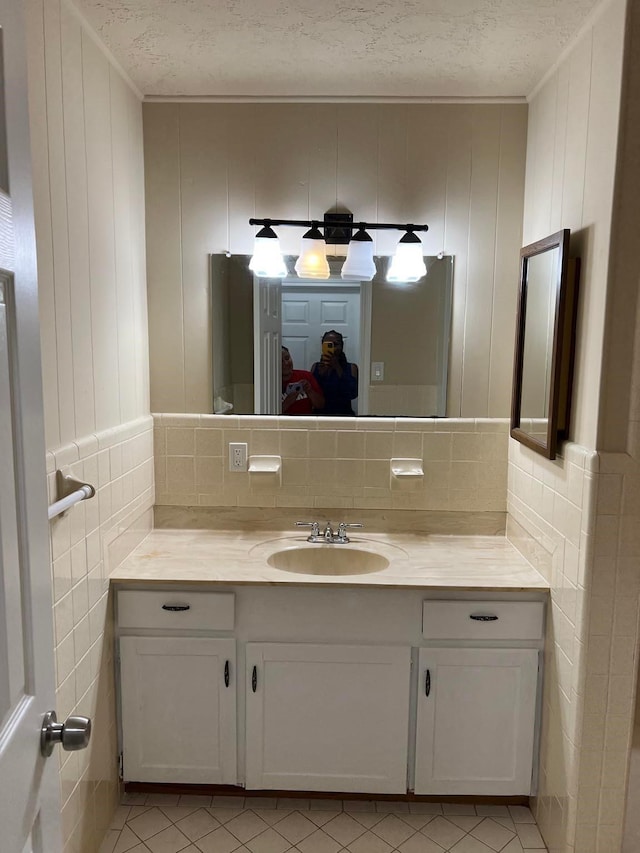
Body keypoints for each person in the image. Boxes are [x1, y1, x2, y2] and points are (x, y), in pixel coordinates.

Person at [310, 330, 359, 416]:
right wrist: (321, 375)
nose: (332, 348)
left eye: (335, 344)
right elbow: (311, 395)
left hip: (344, 416)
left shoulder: (351, 368)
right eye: (328, 344)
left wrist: (337, 367)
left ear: (342, 346)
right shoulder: (316, 367)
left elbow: (352, 393)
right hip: (319, 416)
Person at [281, 346, 324, 415]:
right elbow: (267, 417)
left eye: (287, 358)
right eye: (280, 361)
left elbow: (320, 405)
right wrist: (287, 403)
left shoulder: (306, 376)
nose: (286, 363)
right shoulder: (270, 383)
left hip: (307, 423)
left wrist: (310, 391)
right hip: (282, 424)